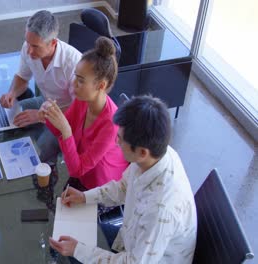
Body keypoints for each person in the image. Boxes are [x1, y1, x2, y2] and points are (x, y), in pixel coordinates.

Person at [49, 95, 197, 264]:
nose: (115, 141)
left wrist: (78, 250)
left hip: (142, 257)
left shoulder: (161, 210)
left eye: (119, 138)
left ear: (142, 152)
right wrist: (85, 197)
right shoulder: (155, 153)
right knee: (70, 242)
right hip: (131, 237)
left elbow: (133, 263)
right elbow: (123, 187)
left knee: (71, 253)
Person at [40, 36, 128, 191]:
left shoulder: (110, 124)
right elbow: (59, 131)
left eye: (80, 80)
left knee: (62, 208)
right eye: (75, 77)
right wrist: (49, 115)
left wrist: (66, 130)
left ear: (101, 85)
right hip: (81, 174)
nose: (73, 84)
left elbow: (76, 169)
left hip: (102, 187)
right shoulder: (83, 100)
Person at [0, 10, 82, 164]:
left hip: (65, 115)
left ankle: (49, 173)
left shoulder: (73, 63)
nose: (29, 51)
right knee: (10, 117)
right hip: (45, 101)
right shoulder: (28, 47)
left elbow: (79, 110)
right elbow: (22, 77)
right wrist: (12, 92)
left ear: (53, 43)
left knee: (43, 148)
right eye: (28, 43)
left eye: (35, 46)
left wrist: (40, 115)